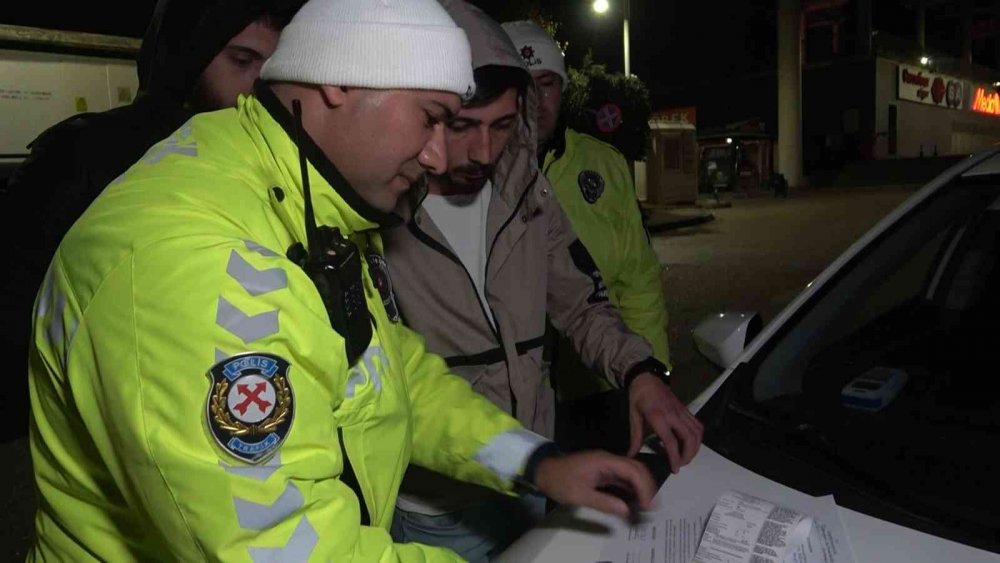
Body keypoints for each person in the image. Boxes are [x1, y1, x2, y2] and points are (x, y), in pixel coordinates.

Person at [26, 0, 657, 560]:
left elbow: (396, 375)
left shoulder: (304, 197)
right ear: (338, 83)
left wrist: (534, 461)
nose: (441, 157)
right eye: (433, 118)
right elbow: (287, 547)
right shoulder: (195, 264)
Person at [382, 3, 702, 560]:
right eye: (463, 126)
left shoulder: (529, 195)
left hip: (537, 478)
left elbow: (581, 303)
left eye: (503, 126)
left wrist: (640, 371)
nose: (484, 152)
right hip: (437, 506)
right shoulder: (378, 209)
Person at [0, 0, 301, 440]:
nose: (258, 84)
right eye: (241, 60)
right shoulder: (85, 155)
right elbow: (16, 305)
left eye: (272, 66)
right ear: (187, 58)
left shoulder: (277, 167)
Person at [501, 20, 673, 408]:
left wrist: (651, 371)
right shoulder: (474, 169)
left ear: (562, 88)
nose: (536, 101)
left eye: (547, 84)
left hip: (605, 385)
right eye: (523, 86)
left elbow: (639, 280)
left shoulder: (604, 164)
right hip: (513, 403)